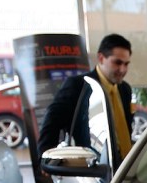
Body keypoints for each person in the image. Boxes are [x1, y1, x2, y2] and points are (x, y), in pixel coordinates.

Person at [38, 33, 134, 161]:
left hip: (123, 164)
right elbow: (52, 120)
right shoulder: (79, 85)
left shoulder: (125, 89)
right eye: (117, 63)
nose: (122, 69)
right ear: (101, 58)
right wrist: (46, 155)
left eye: (126, 64)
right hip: (90, 166)